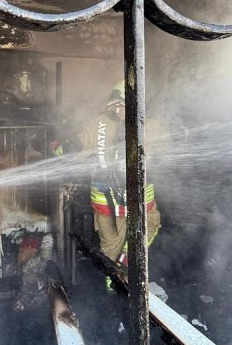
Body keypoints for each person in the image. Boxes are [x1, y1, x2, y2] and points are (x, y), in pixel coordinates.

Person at [54, 80, 163, 271]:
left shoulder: (97, 123)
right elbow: (170, 146)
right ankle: (127, 268)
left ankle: (112, 284)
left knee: (110, 242)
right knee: (146, 225)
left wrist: (57, 148)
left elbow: (73, 149)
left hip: (102, 197)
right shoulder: (149, 126)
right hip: (133, 196)